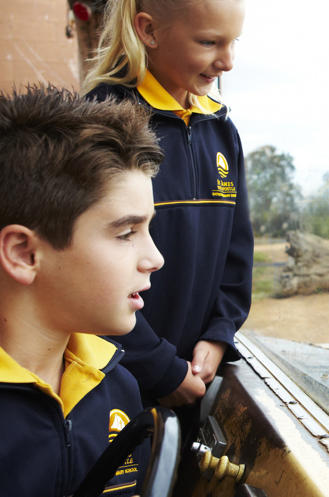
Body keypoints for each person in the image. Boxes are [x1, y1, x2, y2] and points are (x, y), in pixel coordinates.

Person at [81, 0, 253, 414]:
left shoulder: (222, 130)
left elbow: (236, 251)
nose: (227, 62)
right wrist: (158, 367)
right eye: (209, 42)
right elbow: (85, 270)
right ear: (149, 30)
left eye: (234, 43)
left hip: (195, 376)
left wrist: (218, 334)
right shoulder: (98, 124)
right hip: (113, 384)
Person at [0, 86, 164, 497]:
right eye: (127, 233)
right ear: (24, 253)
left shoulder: (119, 387)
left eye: (149, 229)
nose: (155, 258)